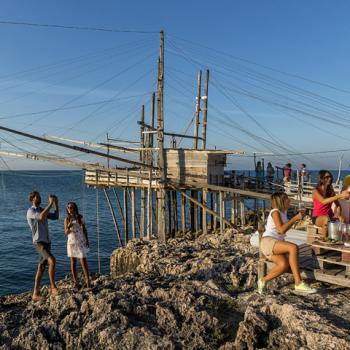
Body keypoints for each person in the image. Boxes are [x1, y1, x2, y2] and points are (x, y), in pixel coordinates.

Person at [258, 192, 317, 294]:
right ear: (281, 201)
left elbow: (285, 228)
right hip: (268, 242)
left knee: (283, 265)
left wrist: (298, 220)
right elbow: (281, 230)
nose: (289, 200)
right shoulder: (275, 212)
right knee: (293, 248)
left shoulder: (283, 213)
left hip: (275, 243)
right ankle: (298, 283)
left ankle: (263, 280)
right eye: (287, 199)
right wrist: (294, 218)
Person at [27, 191, 59, 301]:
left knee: (41, 267)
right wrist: (50, 204)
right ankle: (53, 287)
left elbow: (55, 216)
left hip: (46, 241)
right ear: (32, 199)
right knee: (52, 260)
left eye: (40, 196)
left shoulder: (41, 210)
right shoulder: (31, 211)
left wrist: (56, 204)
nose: (40, 198)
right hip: (39, 242)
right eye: (37, 197)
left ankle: (35, 294)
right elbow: (41, 217)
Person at [312, 170, 350, 236]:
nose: (330, 179)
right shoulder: (315, 191)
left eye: (330, 177)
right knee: (326, 219)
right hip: (318, 217)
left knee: (342, 220)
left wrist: (338, 214)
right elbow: (323, 201)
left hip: (330, 216)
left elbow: (338, 205)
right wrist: (340, 195)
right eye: (327, 177)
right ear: (321, 178)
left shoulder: (331, 192)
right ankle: (324, 240)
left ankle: (339, 241)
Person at [64, 202, 91, 289]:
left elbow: (84, 229)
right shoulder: (67, 219)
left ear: (74, 208)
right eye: (68, 207)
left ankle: (88, 281)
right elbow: (66, 232)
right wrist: (69, 225)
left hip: (80, 240)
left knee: (83, 260)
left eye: (71, 207)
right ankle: (76, 282)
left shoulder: (80, 217)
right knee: (73, 262)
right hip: (72, 241)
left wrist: (87, 240)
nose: (69, 209)